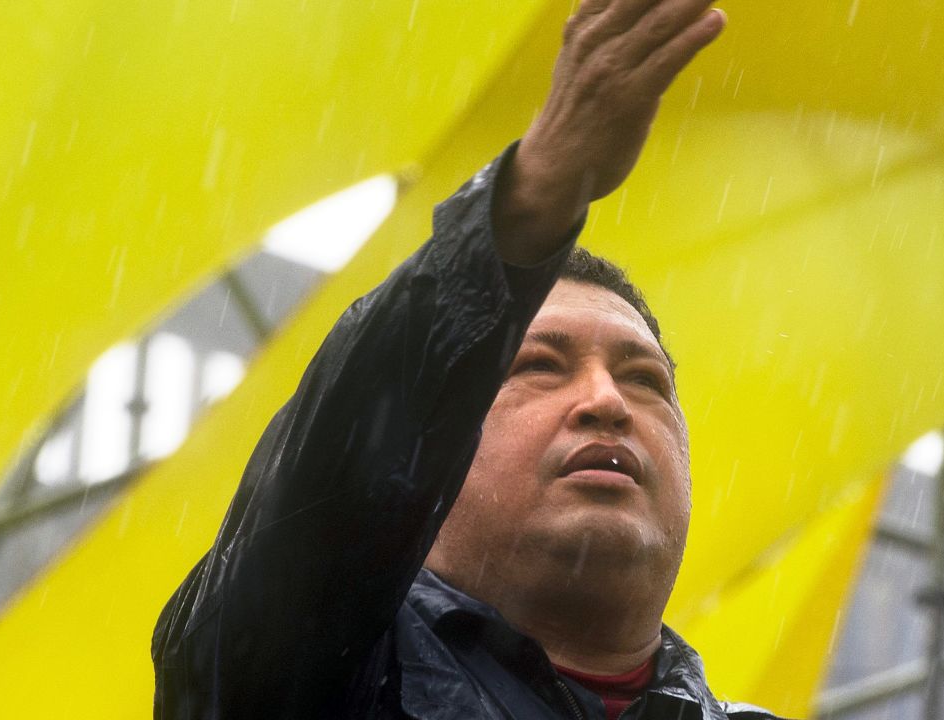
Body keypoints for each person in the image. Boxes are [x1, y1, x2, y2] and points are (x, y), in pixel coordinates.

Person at [153, 1, 783, 717]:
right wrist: (532, 199)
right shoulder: (316, 670)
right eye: (539, 366)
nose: (606, 400)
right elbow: (328, 487)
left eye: (645, 380)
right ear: (433, 446)